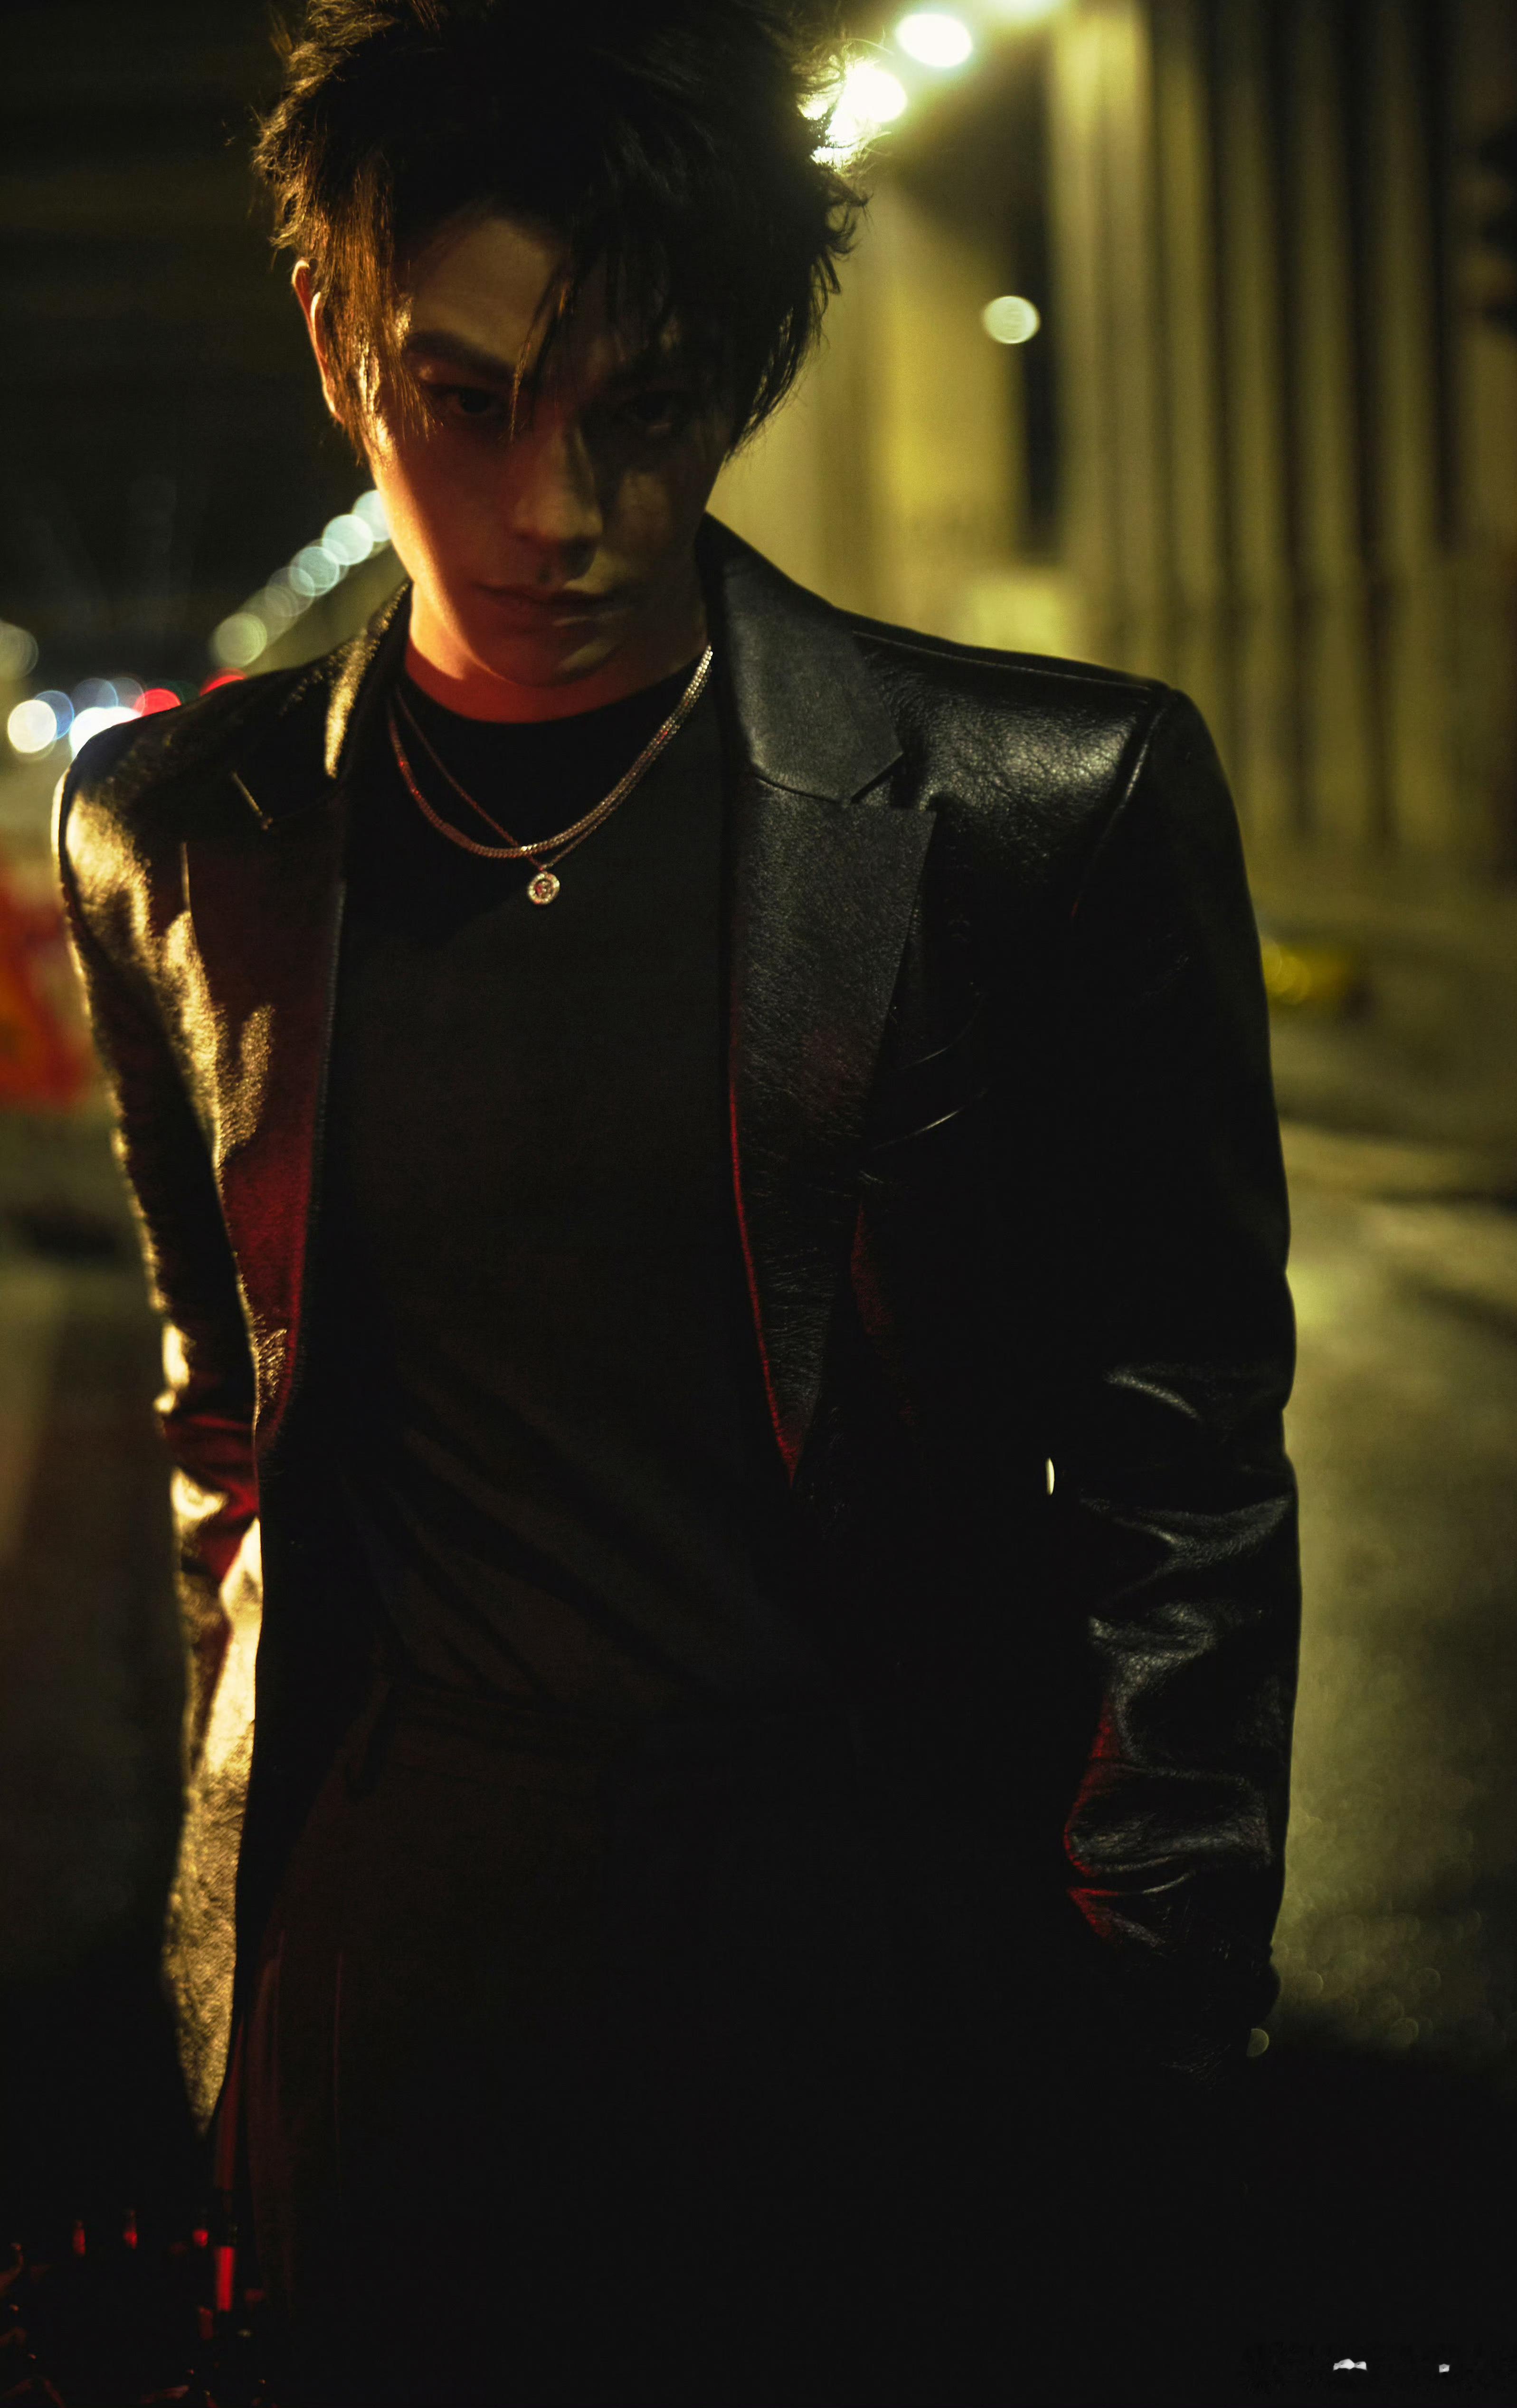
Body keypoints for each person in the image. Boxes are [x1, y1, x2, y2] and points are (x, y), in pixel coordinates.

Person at [55, 1, 1300, 2400]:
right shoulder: (179, 835)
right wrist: (250, 1943)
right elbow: (233, 1404)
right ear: (335, 345)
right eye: (469, 398)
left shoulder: (1046, 808)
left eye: (647, 406)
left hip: (865, 1973)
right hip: (388, 2001)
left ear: (742, 370)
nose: (559, 508)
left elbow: (1184, 1478)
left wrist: (1150, 2006)